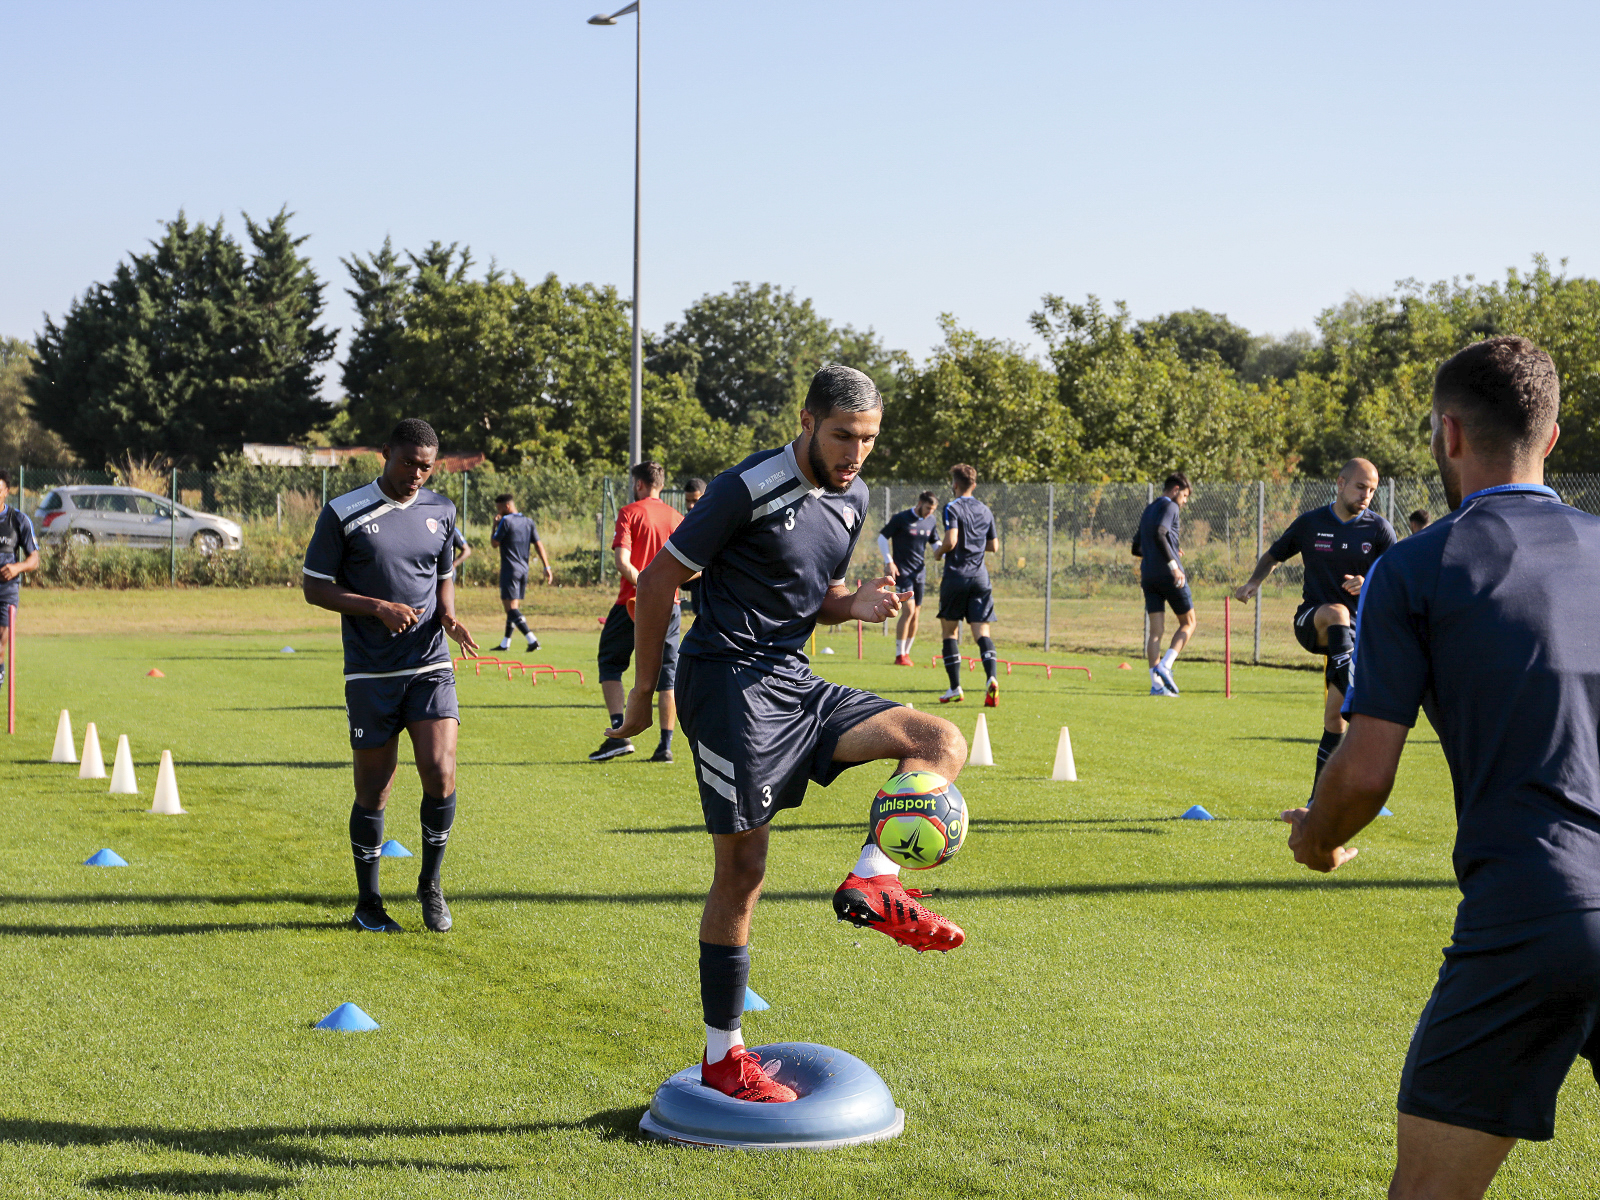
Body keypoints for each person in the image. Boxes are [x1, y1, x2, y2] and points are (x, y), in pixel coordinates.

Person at [1282, 336, 1596, 1200]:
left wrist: (1317, 836)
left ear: (1447, 434)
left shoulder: (1420, 564)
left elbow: (1367, 767)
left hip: (1540, 907)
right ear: (1555, 438)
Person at [611, 364, 969, 1103]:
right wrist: (645, 695)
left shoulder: (854, 497)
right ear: (806, 421)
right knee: (744, 874)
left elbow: (814, 599)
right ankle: (723, 1057)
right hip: (728, 689)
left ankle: (874, 878)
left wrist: (854, 604)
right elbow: (656, 583)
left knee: (937, 741)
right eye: (843, 436)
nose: (856, 454)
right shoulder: (745, 487)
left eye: (868, 440)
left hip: (794, 682)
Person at [302, 419, 478, 934]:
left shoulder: (441, 511)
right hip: (371, 673)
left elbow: (442, 576)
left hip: (429, 664)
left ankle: (430, 885)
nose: (416, 475)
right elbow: (315, 587)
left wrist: (449, 615)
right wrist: (376, 606)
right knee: (374, 791)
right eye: (408, 463)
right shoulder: (343, 512)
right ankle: (369, 904)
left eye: (425, 467)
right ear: (386, 454)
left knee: (441, 772)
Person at [1235, 458, 1395, 794]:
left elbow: (1397, 578)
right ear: (1340, 484)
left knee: (1335, 722)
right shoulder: (1311, 523)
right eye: (1360, 487)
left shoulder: (1379, 529)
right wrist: (1253, 583)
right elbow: (1275, 555)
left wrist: (1367, 583)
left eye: (1372, 490)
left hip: (1353, 637)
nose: (1366, 495)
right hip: (1313, 621)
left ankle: (1318, 799)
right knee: (1336, 611)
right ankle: (1349, 680)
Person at [590, 461, 683, 764]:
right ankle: (665, 747)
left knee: (610, 663)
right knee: (667, 676)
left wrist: (645, 587)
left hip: (632, 602)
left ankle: (620, 733)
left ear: (640, 484)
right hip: (671, 604)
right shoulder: (677, 517)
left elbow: (622, 560)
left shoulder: (630, 512)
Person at [932, 464, 999, 706]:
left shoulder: (952, 507)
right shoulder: (985, 509)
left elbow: (951, 540)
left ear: (956, 484)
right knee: (982, 632)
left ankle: (955, 688)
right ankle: (991, 678)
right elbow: (994, 546)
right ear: (975, 484)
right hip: (980, 578)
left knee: (950, 632)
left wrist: (939, 552)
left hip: (956, 577)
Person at [1131, 472, 1195, 696]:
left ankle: (1156, 686)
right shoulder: (1171, 507)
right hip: (1169, 576)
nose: (1185, 501)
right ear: (1176, 489)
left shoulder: (1149, 509)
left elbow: (1136, 548)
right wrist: (1173, 564)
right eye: (1185, 495)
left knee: (1156, 632)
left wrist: (1167, 551)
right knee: (1189, 622)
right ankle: (1165, 666)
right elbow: (1160, 533)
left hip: (1148, 575)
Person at [878, 490, 940, 666]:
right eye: (928, 508)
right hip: (902, 572)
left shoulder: (931, 521)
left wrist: (946, 552)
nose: (930, 512)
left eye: (933, 509)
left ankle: (906, 653)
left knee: (916, 614)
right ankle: (899, 655)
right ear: (919, 503)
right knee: (909, 611)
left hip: (920, 572)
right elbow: (882, 538)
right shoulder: (901, 518)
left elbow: (936, 544)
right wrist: (889, 561)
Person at [489, 493, 552, 652]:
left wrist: (494, 525)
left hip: (510, 569)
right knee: (512, 608)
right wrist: (547, 567)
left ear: (507, 506)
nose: (498, 511)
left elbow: (494, 543)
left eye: (499, 508)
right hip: (524, 570)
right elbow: (538, 545)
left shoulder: (506, 521)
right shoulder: (528, 521)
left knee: (510, 609)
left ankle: (532, 639)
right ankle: (505, 643)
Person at [0, 471, 40, 689]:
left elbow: (34, 559)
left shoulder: (18, 520)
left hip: (6, 592)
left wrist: (18, 567)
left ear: (6, 492)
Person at [681, 478, 707, 616]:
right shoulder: (684, 524)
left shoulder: (716, 522)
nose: (691, 506)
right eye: (688, 501)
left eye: (695, 501)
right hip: (697, 594)